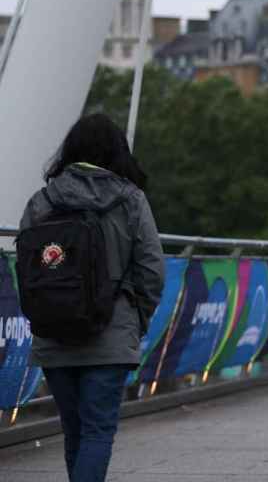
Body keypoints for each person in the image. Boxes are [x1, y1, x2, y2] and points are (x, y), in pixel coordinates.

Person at [18, 114, 165, 482]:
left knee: (75, 433)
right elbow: (152, 270)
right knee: (98, 433)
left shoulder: (42, 202)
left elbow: (26, 270)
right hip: (110, 335)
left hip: (54, 335)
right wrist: (135, 319)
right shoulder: (130, 200)